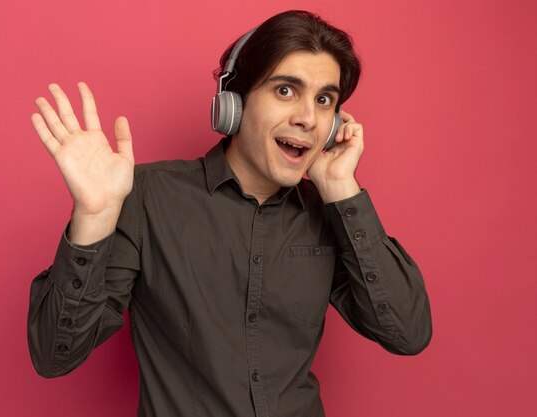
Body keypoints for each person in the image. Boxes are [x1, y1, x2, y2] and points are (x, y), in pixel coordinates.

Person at [27, 9, 432, 417]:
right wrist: (94, 216)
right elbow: (54, 355)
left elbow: (407, 333)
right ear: (233, 105)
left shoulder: (328, 212)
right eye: (285, 91)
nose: (308, 118)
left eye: (324, 100)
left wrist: (342, 188)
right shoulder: (147, 197)